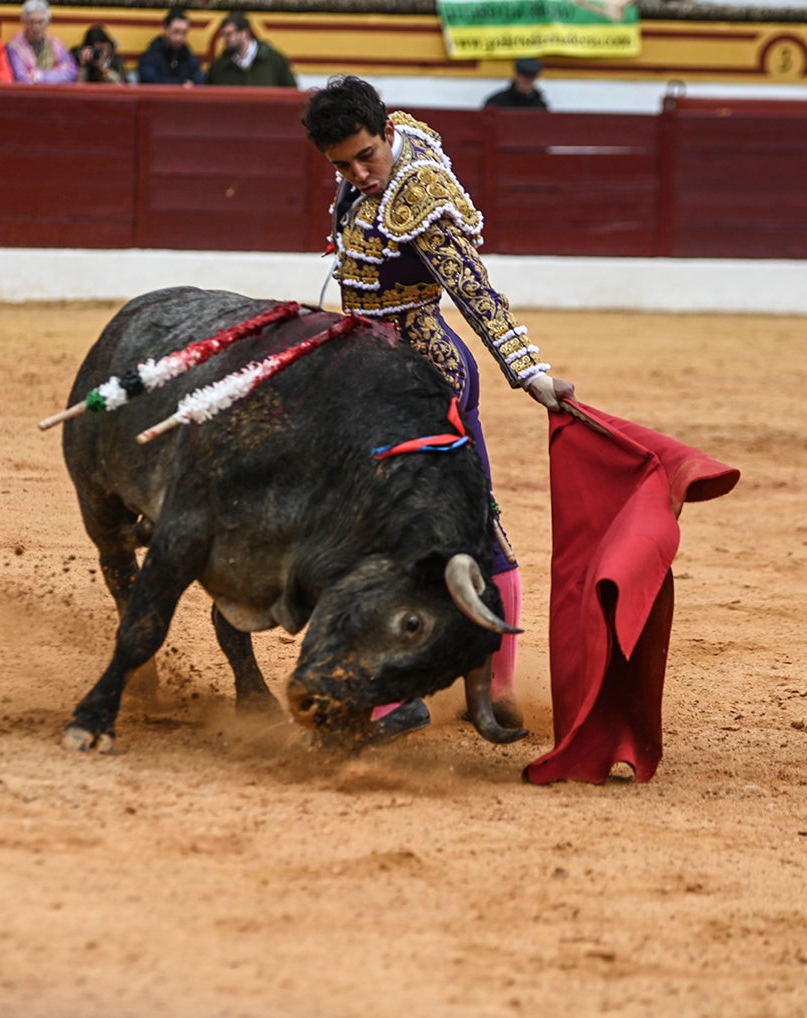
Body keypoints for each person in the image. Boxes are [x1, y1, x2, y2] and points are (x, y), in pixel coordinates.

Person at [301, 76, 575, 738]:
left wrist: (529, 372)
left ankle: (497, 688)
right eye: (341, 165)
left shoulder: (420, 196)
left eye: (366, 156)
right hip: (368, 375)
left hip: (429, 382)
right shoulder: (374, 149)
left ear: (386, 135)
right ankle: (396, 686)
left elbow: (476, 294)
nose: (358, 173)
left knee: (471, 526)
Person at [205, 11, 295, 88]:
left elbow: (291, 92)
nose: (225, 39)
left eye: (229, 34)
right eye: (223, 35)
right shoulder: (219, 67)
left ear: (245, 33)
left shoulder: (274, 60)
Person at [6, 0, 77, 84]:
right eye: (31, 22)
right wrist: (56, 73)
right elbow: (21, 78)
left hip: (55, 94)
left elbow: (71, 73)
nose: (36, 27)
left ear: (48, 23)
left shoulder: (55, 44)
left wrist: (40, 76)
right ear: (24, 22)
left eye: (40, 22)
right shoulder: (14, 47)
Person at [136, 7, 204, 86]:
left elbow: (200, 83)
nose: (179, 38)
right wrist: (181, 85)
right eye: (176, 32)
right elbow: (148, 81)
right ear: (164, 30)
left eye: (184, 33)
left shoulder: (190, 59)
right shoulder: (149, 58)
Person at [483, 57, 549, 110]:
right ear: (516, 76)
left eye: (531, 77)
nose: (527, 81)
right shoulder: (496, 103)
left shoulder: (539, 106)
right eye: (524, 76)